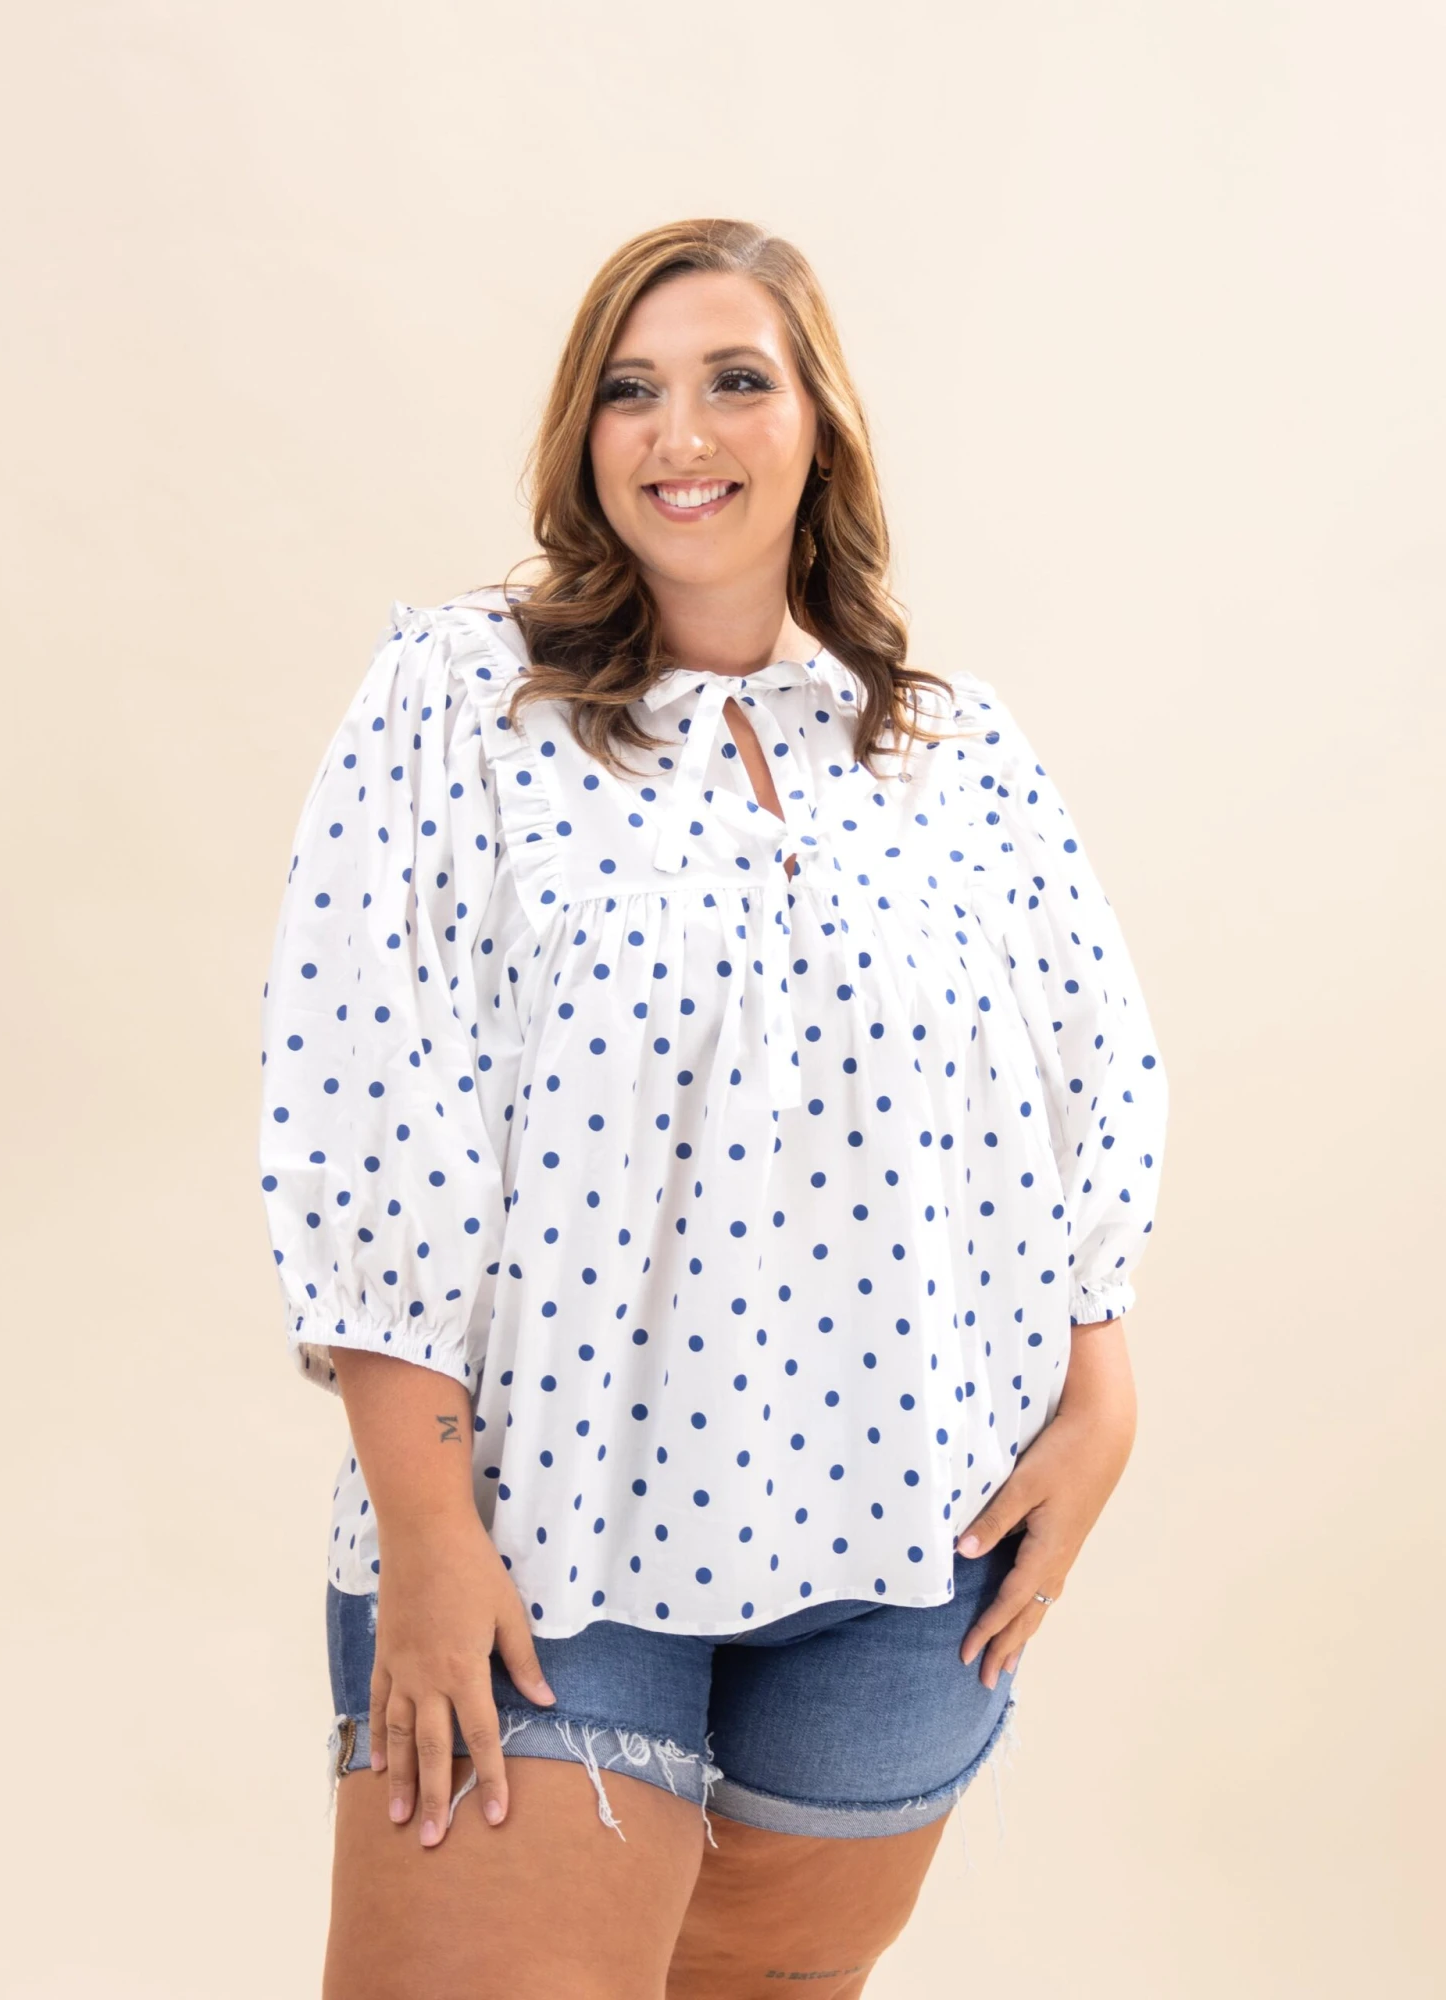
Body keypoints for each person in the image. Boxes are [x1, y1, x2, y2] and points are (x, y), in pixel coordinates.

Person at [257, 217, 1170, 1999]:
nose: (680, 434)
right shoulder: (459, 696)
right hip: (540, 1537)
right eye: (631, 391)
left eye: (735, 381)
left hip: (909, 1554)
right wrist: (427, 1538)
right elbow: (367, 1108)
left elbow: (1093, 1081)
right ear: (583, 436)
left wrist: (1106, 1399)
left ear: (817, 424)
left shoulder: (951, 748)